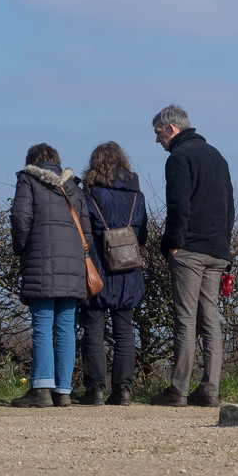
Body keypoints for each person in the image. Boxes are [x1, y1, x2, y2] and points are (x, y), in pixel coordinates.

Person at [150, 105, 235, 408]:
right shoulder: (217, 156)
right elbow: (230, 208)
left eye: (158, 133)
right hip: (216, 251)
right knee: (210, 319)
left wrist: (172, 244)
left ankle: (178, 390)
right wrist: (224, 248)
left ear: (171, 129)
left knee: (185, 320)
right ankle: (210, 389)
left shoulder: (179, 158)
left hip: (189, 251)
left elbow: (178, 206)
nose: (157, 140)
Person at [9, 143, 91, 408]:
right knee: (66, 327)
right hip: (73, 267)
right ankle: (63, 391)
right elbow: (86, 231)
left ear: (31, 161)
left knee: (43, 327)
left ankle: (42, 389)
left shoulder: (28, 180)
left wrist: (21, 248)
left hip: (40, 262)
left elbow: (20, 217)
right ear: (56, 161)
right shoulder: (73, 186)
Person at [79, 142, 149, 406]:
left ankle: (95, 390)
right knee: (125, 331)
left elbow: (84, 233)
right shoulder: (136, 194)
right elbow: (141, 235)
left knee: (93, 330)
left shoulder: (89, 193)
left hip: (97, 269)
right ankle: (123, 391)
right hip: (128, 269)